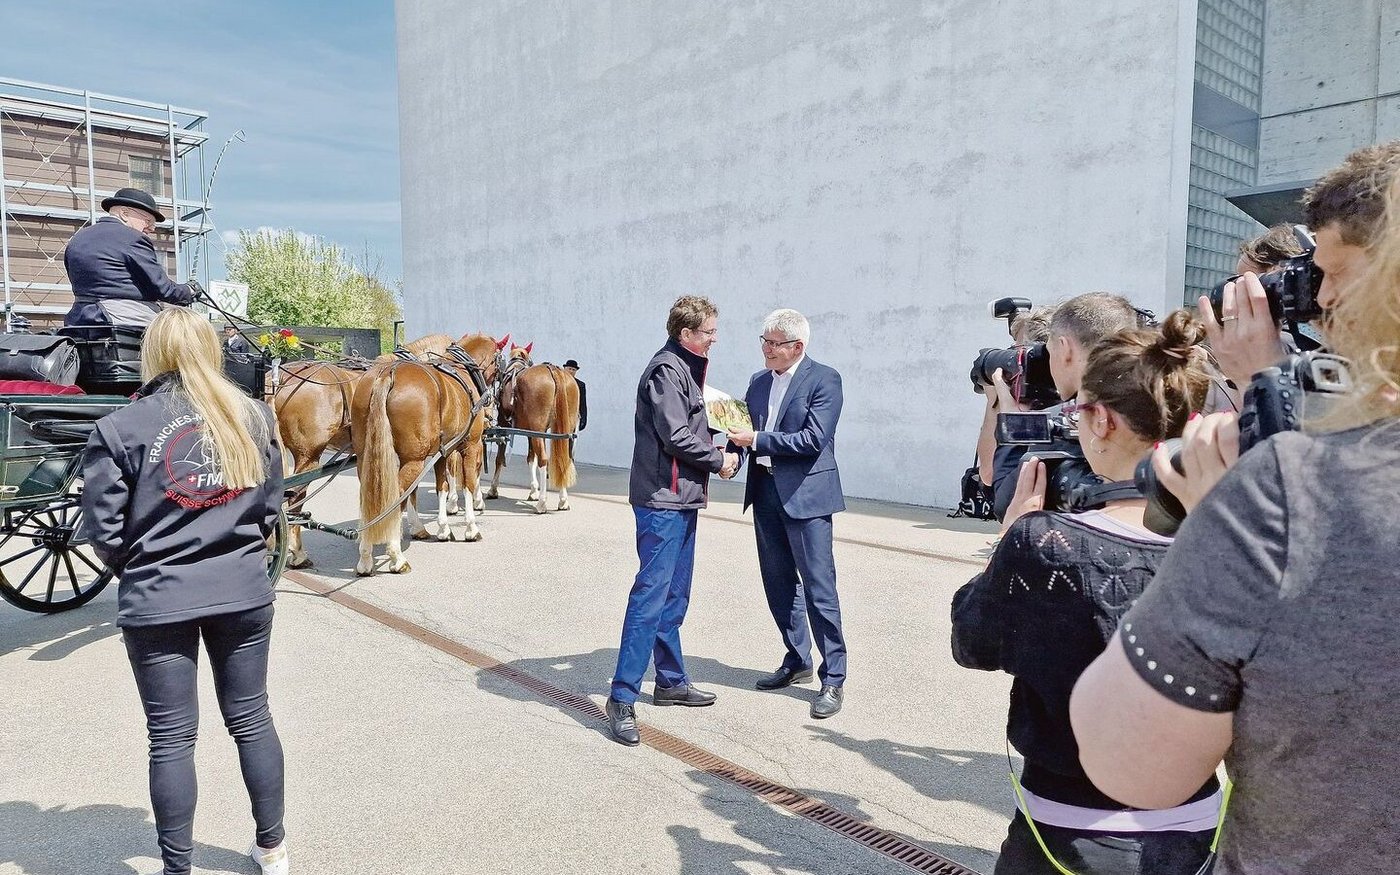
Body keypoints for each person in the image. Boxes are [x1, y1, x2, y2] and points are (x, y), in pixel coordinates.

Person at [1070, 172, 1400, 875]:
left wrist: (1222, 508)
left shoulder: (1294, 483)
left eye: (1336, 272)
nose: (1326, 297)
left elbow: (1129, 763)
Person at [952, 310, 1220, 875]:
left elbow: (973, 643)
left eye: (1074, 414)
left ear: (1099, 421)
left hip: (1067, 830)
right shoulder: (1234, 542)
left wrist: (1012, 537)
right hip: (1197, 829)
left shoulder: (1043, 544)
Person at [80, 307, 289, 875]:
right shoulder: (251, 417)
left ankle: (178, 867)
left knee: (171, 736)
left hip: (158, 596)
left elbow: (102, 530)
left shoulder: (122, 427)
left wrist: (144, 565)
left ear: (154, 354)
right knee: (251, 717)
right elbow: (271, 509)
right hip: (243, 590)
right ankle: (272, 848)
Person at [606, 296, 738, 746]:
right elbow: (676, 435)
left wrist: (727, 429)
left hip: (681, 497)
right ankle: (621, 697)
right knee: (650, 596)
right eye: (709, 333)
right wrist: (719, 460)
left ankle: (670, 681)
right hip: (662, 500)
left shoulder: (687, 368)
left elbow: (691, 425)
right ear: (686, 334)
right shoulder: (667, 370)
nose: (714, 339)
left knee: (674, 595)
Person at [724, 309, 848, 719]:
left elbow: (813, 438)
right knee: (778, 583)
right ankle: (797, 659)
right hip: (766, 494)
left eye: (774, 343)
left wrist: (756, 438)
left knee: (818, 588)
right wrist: (731, 456)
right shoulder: (759, 382)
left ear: (798, 346)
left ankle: (834, 677)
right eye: (764, 340)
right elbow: (741, 435)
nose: (766, 349)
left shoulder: (824, 379)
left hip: (807, 498)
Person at [986, 293, 1144, 520]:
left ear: (1065, 348)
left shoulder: (1077, 416)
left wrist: (1014, 422)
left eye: (1048, 351)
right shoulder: (1146, 399)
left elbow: (1007, 502)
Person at [62, 187, 198, 328]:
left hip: (78, 320)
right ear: (124, 213)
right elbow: (163, 289)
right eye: (148, 221)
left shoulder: (77, 239)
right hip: (122, 318)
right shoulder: (133, 238)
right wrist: (189, 290)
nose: (151, 228)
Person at [562, 358, 587, 431]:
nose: (571, 371)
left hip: (572, 414)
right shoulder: (558, 381)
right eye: (569, 369)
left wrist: (583, 419)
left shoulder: (580, 385)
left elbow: (582, 403)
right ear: (564, 369)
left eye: (573, 370)